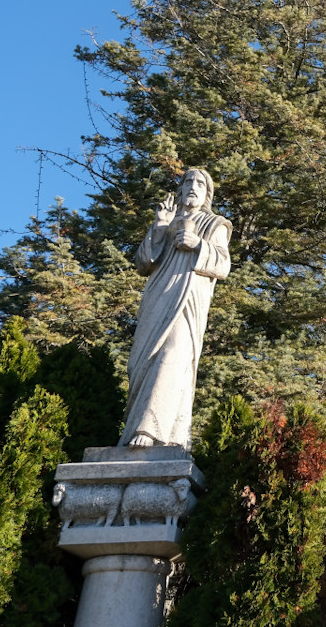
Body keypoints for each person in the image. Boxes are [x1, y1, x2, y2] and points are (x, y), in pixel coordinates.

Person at [120, 168, 231, 448]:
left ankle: (150, 430)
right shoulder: (167, 220)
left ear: (207, 194)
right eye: (188, 182)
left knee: (174, 354)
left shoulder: (215, 224)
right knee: (142, 362)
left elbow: (223, 265)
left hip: (187, 301)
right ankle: (169, 437)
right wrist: (160, 226)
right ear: (180, 189)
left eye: (200, 184)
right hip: (157, 297)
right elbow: (144, 263)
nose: (193, 186)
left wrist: (198, 245)